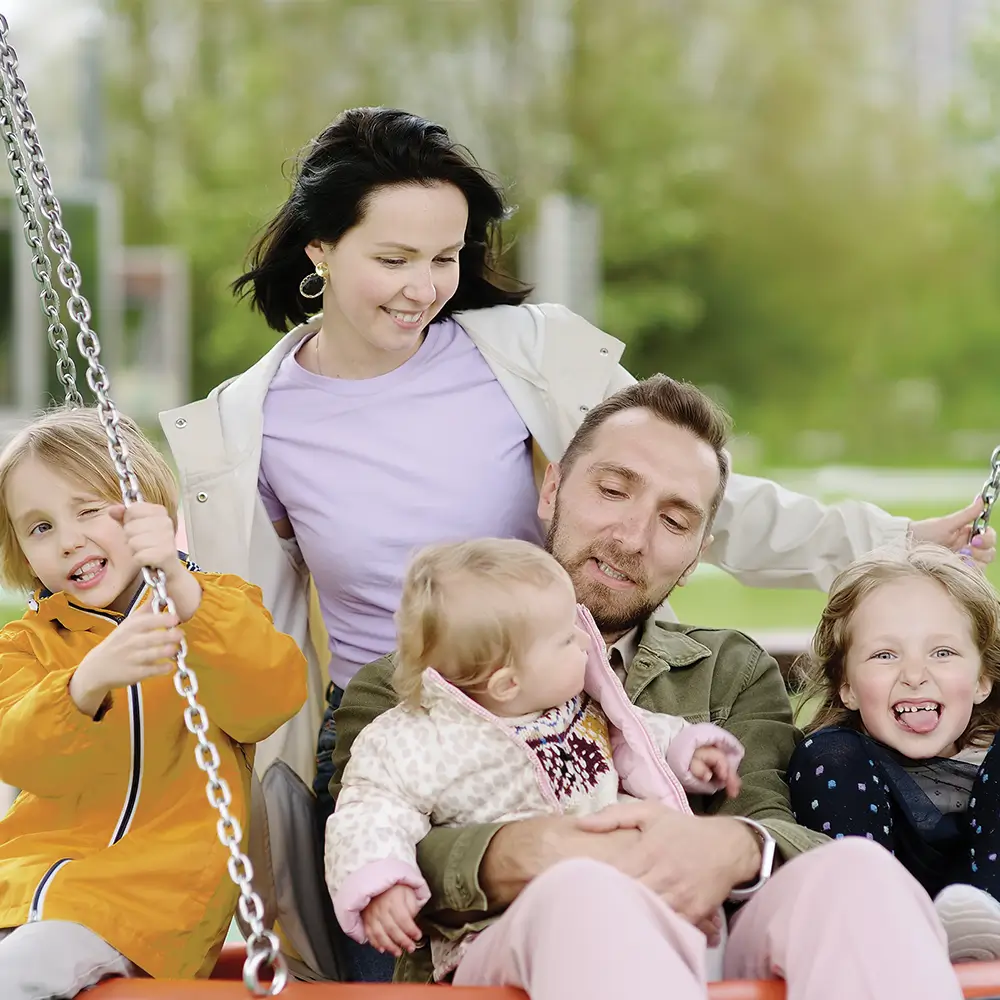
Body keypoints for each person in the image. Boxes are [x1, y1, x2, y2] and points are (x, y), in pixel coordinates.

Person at [159, 104, 996, 839]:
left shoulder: (525, 358)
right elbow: (239, 615)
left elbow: (695, 496)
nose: (424, 288)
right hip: (390, 724)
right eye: (394, 259)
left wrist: (893, 539)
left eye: (445, 258)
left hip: (558, 703)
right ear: (322, 250)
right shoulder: (249, 428)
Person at [331, 375, 962, 1000]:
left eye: (674, 520)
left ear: (696, 556)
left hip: (711, 940)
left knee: (858, 872)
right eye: (611, 491)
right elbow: (367, 835)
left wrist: (734, 848)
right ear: (552, 489)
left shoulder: (729, 670)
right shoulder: (421, 682)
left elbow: (773, 815)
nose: (632, 537)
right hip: (513, 948)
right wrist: (519, 851)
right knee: (587, 894)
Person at [0, 407, 308, 998]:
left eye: (89, 510)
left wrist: (181, 589)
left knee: (23, 974)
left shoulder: (213, 608)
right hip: (22, 887)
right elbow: (18, 753)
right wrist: (83, 686)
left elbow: (270, 698)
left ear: (146, 512)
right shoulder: (28, 645)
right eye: (38, 527)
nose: (68, 540)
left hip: (144, 907)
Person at [325, 537, 743, 971]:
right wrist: (380, 880)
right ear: (508, 684)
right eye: (565, 638)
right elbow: (369, 813)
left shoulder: (579, 708)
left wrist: (685, 750)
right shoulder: (419, 740)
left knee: (676, 940)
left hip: (616, 899)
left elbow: (634, 734)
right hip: (500, 930)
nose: (586, 638)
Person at [788, 543, 1000, 963]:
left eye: (943, 652)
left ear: (982, 680)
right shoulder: (837, 763)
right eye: (885, 655)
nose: (915, 676)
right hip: (879, 942)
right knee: (829, 751)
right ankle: (876, 927)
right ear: (846, 686)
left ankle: (987, 929)